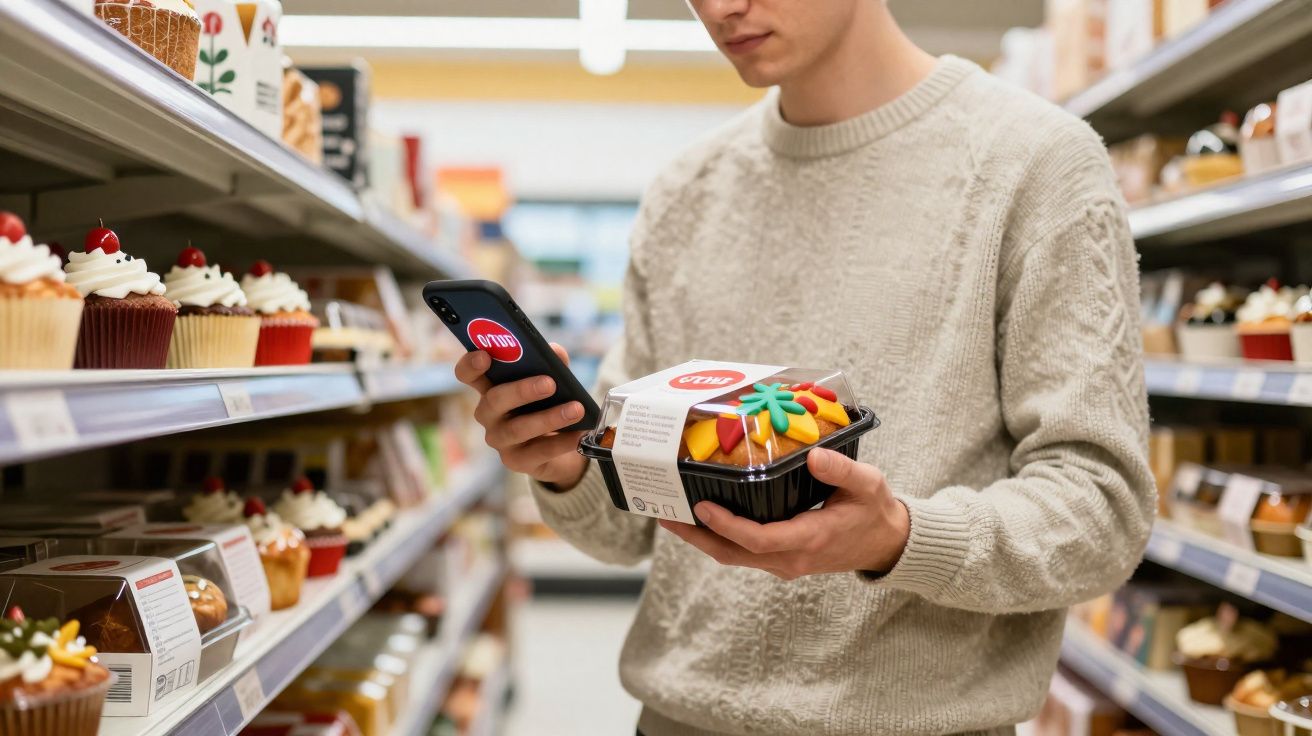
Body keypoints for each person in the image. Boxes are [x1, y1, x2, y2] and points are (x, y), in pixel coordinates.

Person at [455, 0, 1154, 733]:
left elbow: (1102, 511)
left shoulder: (1037, 164)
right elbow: (622, 529)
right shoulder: (685, 195)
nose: (721, 7)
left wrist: (899, 537)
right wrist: (566, 466)